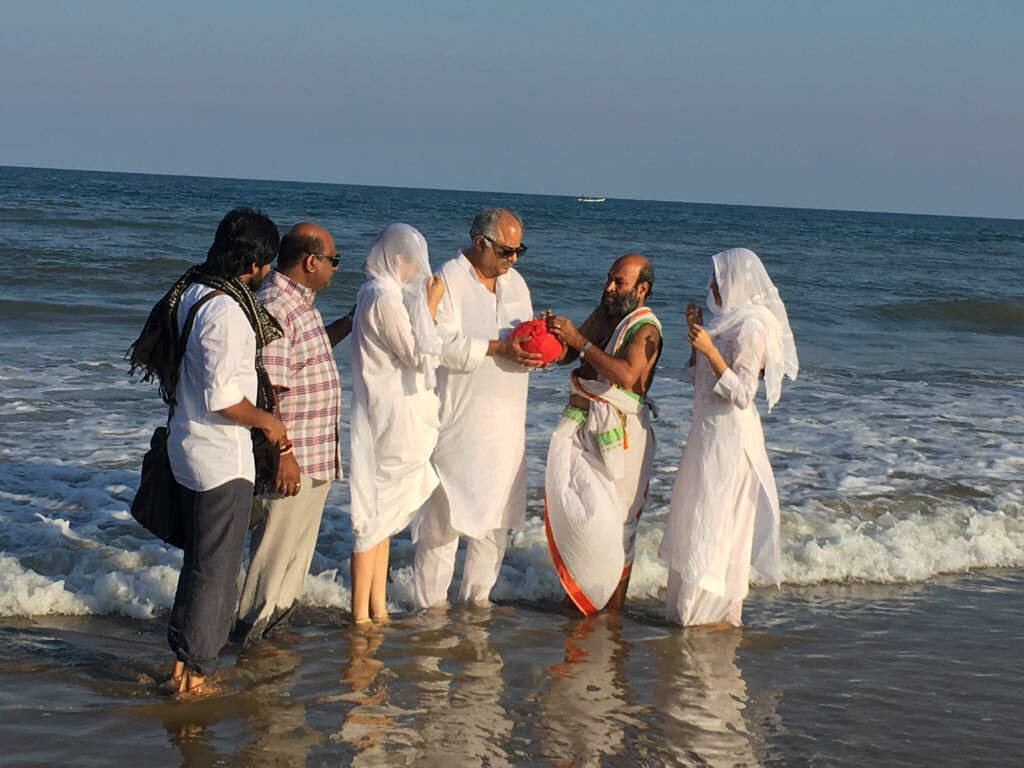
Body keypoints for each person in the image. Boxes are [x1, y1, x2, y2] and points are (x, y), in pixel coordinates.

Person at [155, 207, 289, 695]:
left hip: (185, 445)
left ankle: (181, 665)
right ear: (252, 264)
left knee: (198, 564)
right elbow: (225, 400)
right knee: (217, 573)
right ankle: (198, 674)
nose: (269, 272)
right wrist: (269, 422)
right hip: (218, 458)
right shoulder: (230, 313)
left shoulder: (191, 293)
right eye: (267, 263)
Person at [659, 247, 799, 627]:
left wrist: (710, 349)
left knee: (716, 517)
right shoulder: (724, 324)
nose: (710, 285)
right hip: (705, 432)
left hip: (730, 438)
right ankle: (686, 608)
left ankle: (711, 613)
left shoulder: (752, 327)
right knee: (696, 513)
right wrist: (697, 344)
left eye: (717, 279)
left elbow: (742, 394)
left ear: (735, 283)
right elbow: (698, 379)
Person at [412, 208, 542, 608]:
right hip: (459, 424)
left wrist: (542, 345)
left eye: (519, 249)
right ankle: (428, 615)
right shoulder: (446, 279)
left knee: (494, 526)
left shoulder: (516, 284)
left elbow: (524, 335)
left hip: (507, 427)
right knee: (443, 529)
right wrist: (497, 348)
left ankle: (476, 609)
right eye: (506, 250)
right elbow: (435, 344)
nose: (514, 258)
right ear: (480, 243)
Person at [233, 221, 350, 645]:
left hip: (314, 455)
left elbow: (310, 353)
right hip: (294, 457)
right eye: (334, 260)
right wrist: (284, 454)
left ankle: (271, 642)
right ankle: (249, 640)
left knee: (293, 560)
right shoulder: (278, 305)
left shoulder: (301, 302)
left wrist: (350, 322)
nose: (336, 268)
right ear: (311, 260)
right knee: (273, 557)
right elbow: (271, 391)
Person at [544, 253, 662, 614]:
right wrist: (549, 337)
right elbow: (571, 355)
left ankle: (612, 611)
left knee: (620, 526)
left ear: (641, 290)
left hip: (624, 437)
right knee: (584, 510)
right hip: (590, 427)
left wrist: (579, 341)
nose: (609, 287)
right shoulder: (605, 313)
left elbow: (625, 376)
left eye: (619, 283)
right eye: (609, 279)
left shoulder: (646, 329)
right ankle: (582, 598)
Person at [349, 223, 446, 624]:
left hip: (388, 411)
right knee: (371, 519)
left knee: (382, 519)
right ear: (399, 260)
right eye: (413, 262)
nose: (416, 271)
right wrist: (431, 305)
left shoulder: (378, 293)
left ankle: (377, 608)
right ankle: (359, 615)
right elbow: (416, 355)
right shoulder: (381, 297)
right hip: (386, 416)